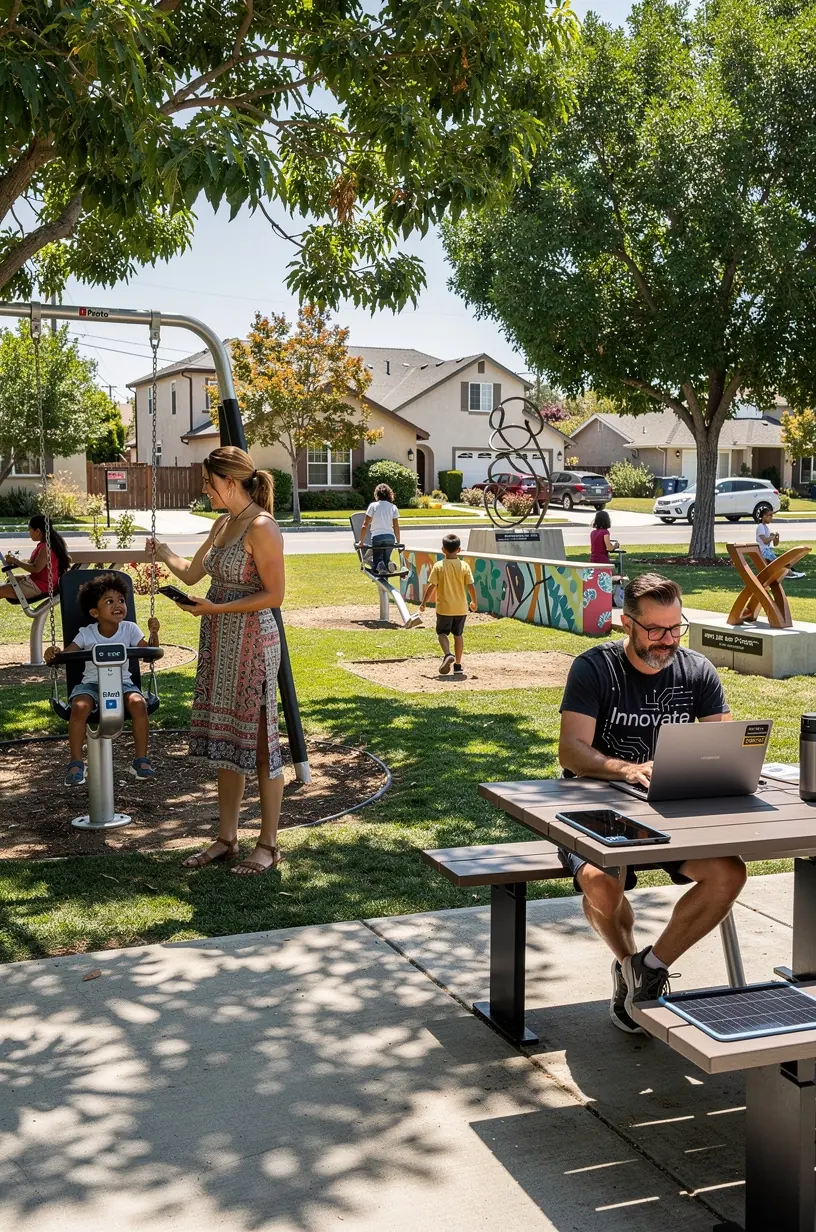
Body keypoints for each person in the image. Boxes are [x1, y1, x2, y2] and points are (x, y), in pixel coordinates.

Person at [558, 572, 747, 1033]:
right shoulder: (594, 668)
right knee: (603, 882)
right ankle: (627, 966)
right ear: (627, 624)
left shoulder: (697, 669)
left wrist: (727, 764)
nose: (667, 641)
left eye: (675, 628)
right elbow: (571, 750)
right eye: (656, 630)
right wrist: (627, 768)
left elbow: (723, 741)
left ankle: (649, 969)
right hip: (594, 801)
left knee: (730, 873)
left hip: (674, 805)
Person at [147, 446, 286, 875]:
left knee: (260, 745)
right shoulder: (223, 523)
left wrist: (214, 609)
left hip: (253, 643)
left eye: (209, 482)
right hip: (220, 641)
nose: (204, 489)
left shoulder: (261, 526)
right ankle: (226, 839)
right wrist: (164, 553)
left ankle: (268, 844)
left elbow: (274, 595)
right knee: (227, 742)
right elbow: (192, 574)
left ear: (230, 481)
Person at [44, 572, 160, 785]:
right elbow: (67, 653)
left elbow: (147, 654)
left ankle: (141, 759)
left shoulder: (130, 629)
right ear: (95, 612)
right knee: (79, 707)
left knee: (138, 703)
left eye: (121, 600)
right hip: (90, 685)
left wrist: (154, 634)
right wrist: (54, 653)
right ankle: (76, 763)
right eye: (110, 601)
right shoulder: (86, 633)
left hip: (123, 683)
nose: (118, 605)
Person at [419, 533, 477, 676]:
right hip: (461, 608)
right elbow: (470, 586)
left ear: (442, 550)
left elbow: (432, 586)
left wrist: (424, 603)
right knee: (458, 635)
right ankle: (458, 665)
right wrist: (474, 601)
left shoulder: (439, 566)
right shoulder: (464, 566)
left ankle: (447, 654)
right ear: (459, 550)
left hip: (444, 608)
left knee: (442, 633)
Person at [1, 514, 71, 601]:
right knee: (11, 579)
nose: (29, 532)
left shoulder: (46, 548)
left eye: (29, 529)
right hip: (38, 582)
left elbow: (35, 568)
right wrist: (16, 561)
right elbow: (35, 563)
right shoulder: (45, 545)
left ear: (37, 531)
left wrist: (16, 561)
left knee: (1, 590)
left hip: (41, 586)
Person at [357, 483, 401, 574]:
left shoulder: (373, 506)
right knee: (386, 558)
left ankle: (379, 564)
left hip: (377, 537)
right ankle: (388, 563)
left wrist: (361, 542)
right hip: (390, 537)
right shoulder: (393, 507)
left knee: (377, 561)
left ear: (377, 494)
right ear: (389, 494)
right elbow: (396, 526)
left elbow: (365, 525)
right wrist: (398, 541)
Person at [756, 507, 804, 579]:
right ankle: (789, 574)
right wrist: (772, 537)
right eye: (770, 515)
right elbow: (764, 541)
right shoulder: (760, 526)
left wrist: (776, 538)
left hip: (768, 551)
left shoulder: (766, 527)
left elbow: (775, 544)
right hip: (764, 552)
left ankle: (791, 572)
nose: (771, 517)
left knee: (780, 561)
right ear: (764, 516)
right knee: (779, 563)